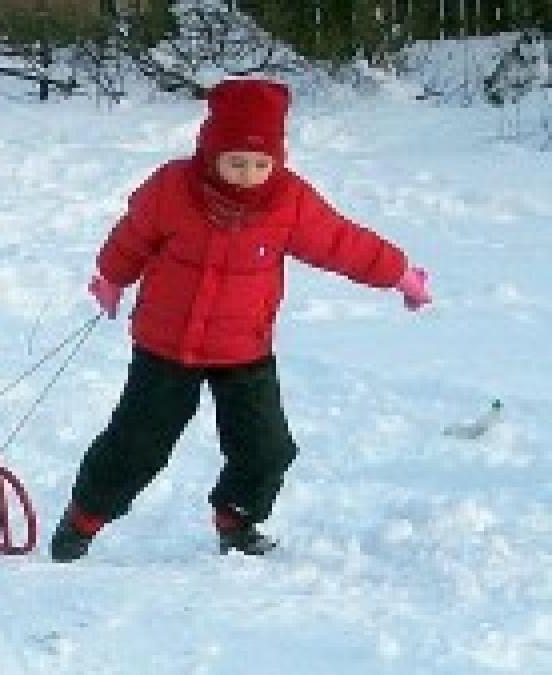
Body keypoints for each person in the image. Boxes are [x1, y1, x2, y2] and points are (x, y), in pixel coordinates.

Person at [49, 78, 432, 560]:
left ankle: (236, 518)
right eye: (235, 162)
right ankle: (83, 520)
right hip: (166, 347)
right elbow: (132, 237)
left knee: (267, 449)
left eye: (260, 164)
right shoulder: (173, 188)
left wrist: (399, 275)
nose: (248, 175)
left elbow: (342, 243)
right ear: (210, 153)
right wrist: (111, 278)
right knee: (137, 444)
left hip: (243, 350)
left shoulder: (289, 202)